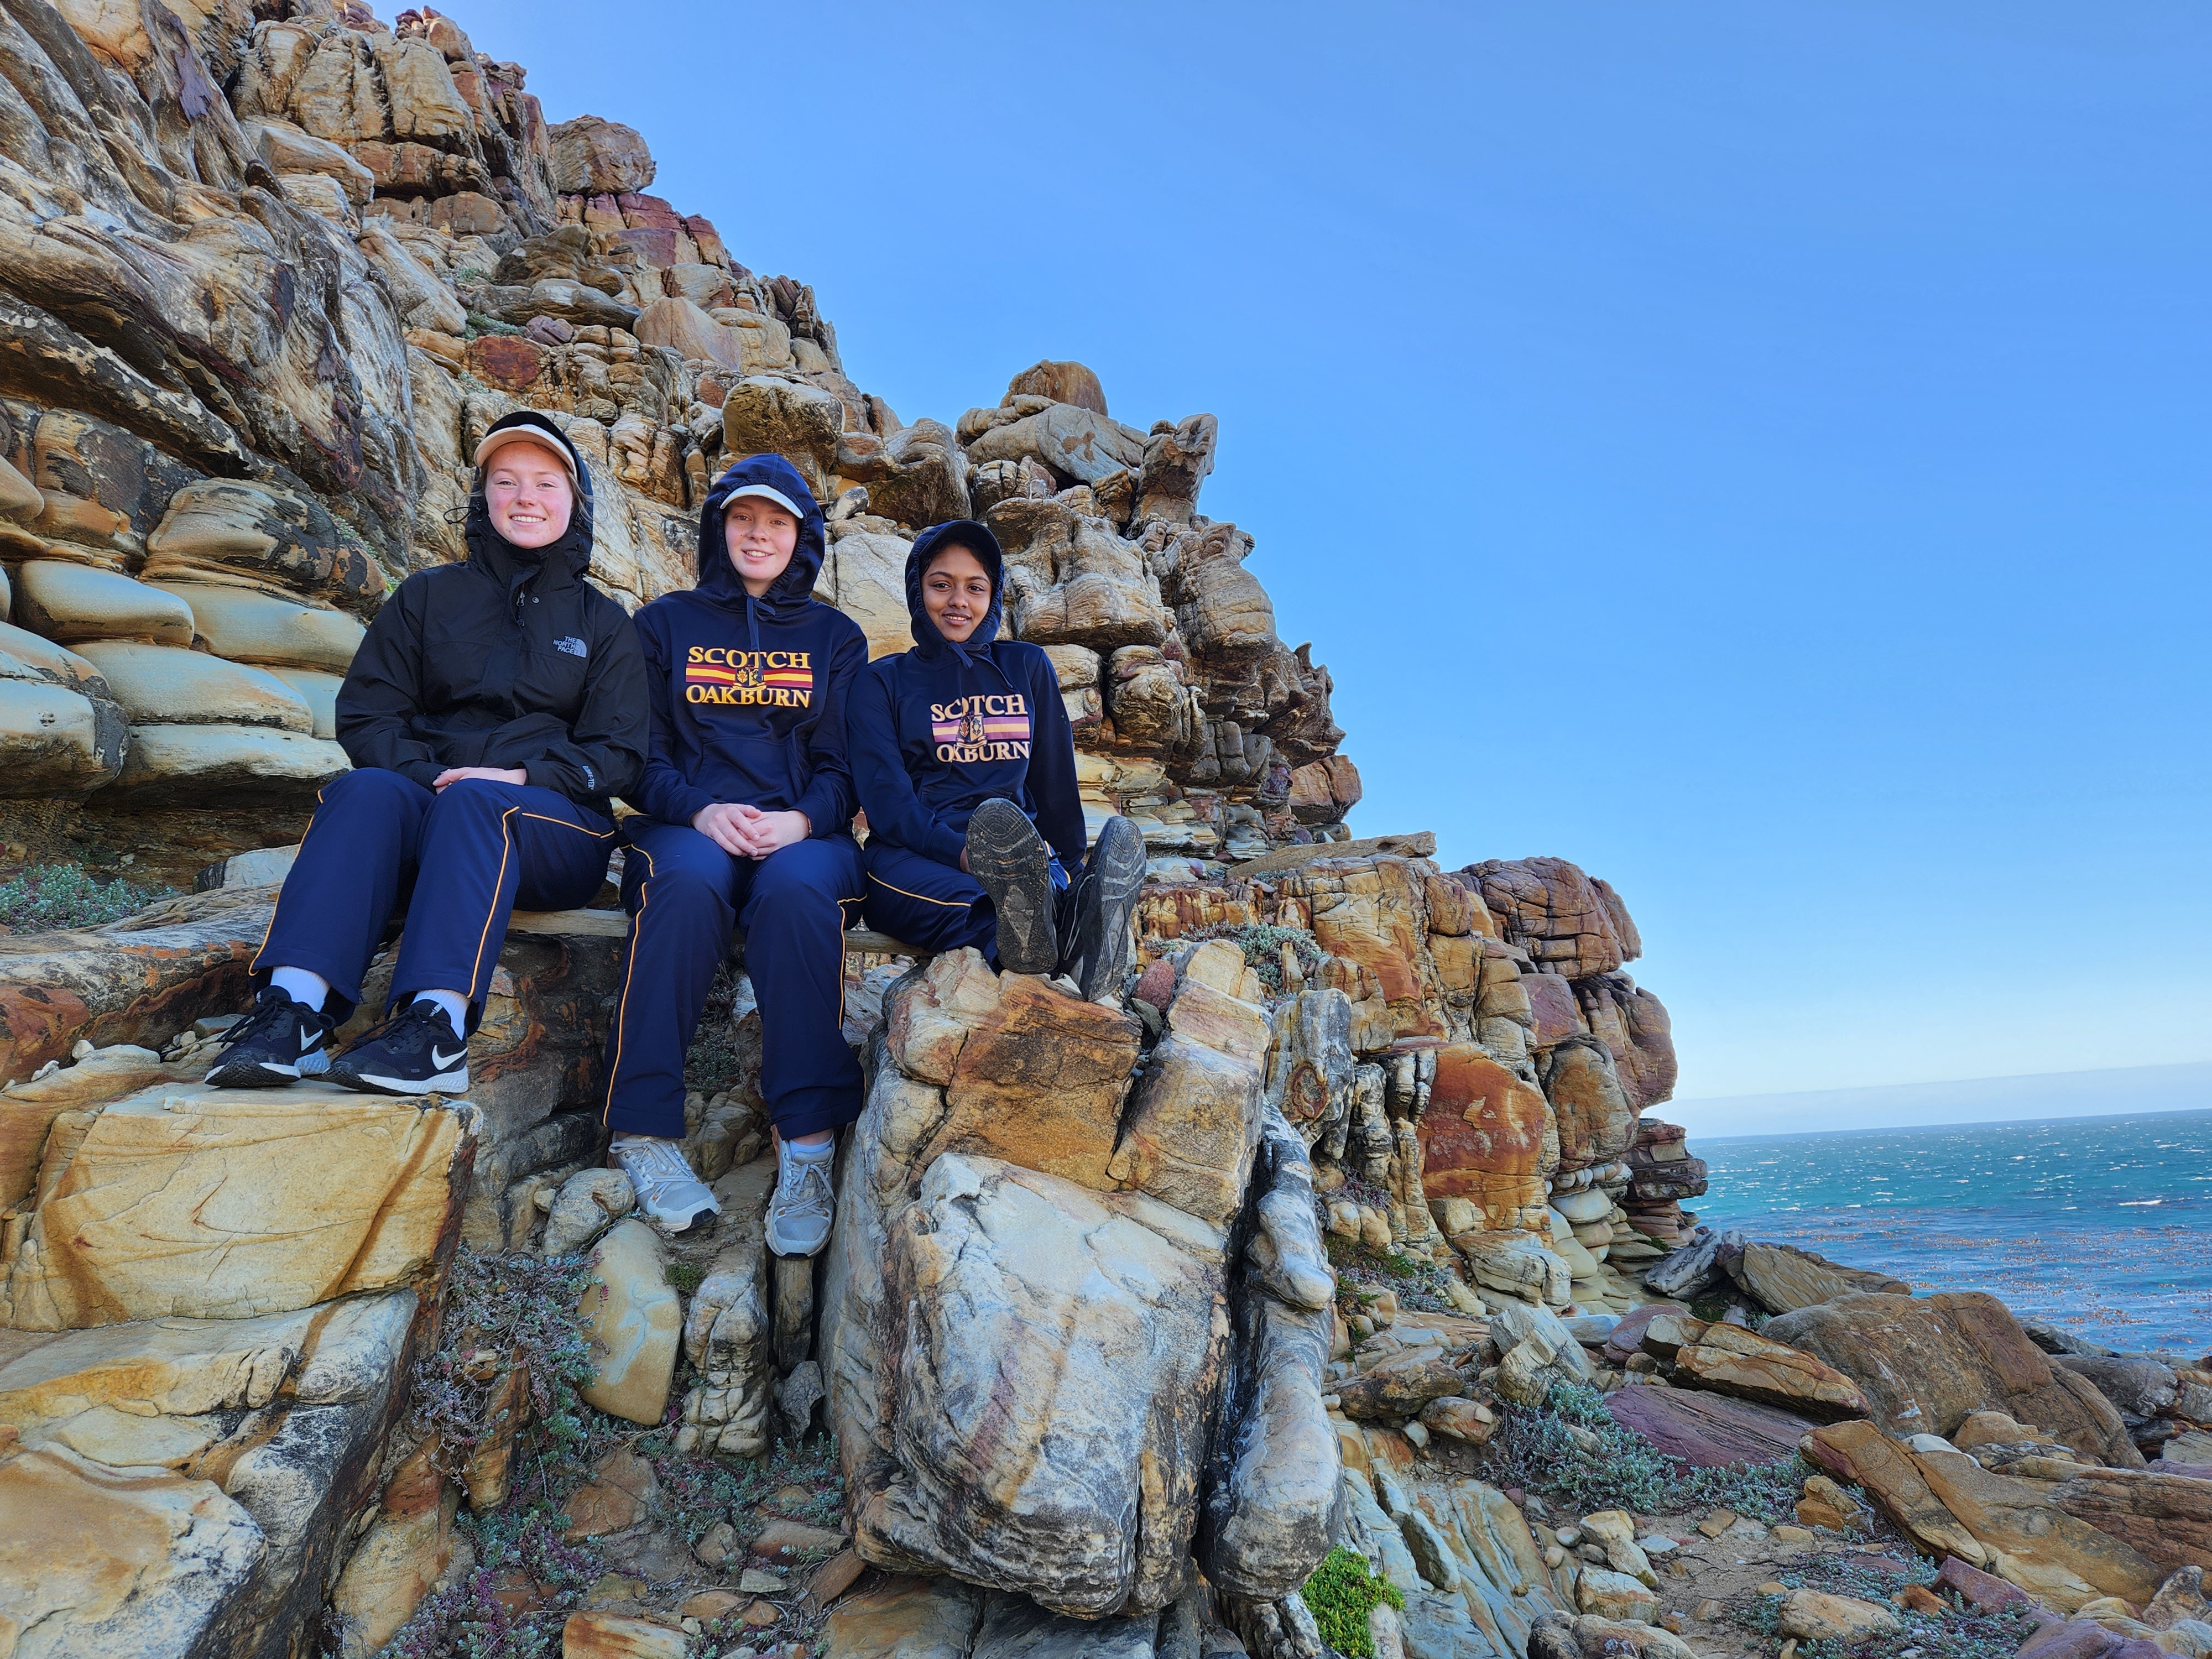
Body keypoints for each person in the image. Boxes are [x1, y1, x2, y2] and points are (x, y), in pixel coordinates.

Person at [208, 410, 648, 1098]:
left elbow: (619, 755)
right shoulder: (426, 597)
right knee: (364, 792)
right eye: (505, 482)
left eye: (544, 483)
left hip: (554, 826)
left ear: (574, 501)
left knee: (479, 803)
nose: (525, 497)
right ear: (484, 498)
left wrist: (518, 776)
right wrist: (429, 777)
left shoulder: (604, 624)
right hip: (437, 797)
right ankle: (294, 1013)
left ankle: (435, 1029)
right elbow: (368, 713)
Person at [598, 455, 869, 1246]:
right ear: (720, 527)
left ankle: (809, 1143)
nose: (759, 535)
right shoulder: (663, 624)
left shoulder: (834, 636)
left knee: (797, 892)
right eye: (744, 519)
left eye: (777, 521)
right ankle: (645, 1133)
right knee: (683, 884)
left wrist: (802, 822)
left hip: (800, 833)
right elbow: (636, 756)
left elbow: (846, 767)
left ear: (802, 536)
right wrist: (700, 809)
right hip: (690, 825)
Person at [848, 519, 1145, 999]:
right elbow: (888, 802)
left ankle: (1062, 914)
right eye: (940, 585)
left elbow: (1054, 782)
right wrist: (964, 855)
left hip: (1020, 859)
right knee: (994, 905)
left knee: (1025, 891)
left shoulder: (1026, 666)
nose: (958, 601)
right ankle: (1069, 938)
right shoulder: (882, 682)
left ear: (994, 594)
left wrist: (1069, 862)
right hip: (917, 858)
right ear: (916, 589)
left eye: (975, 587)